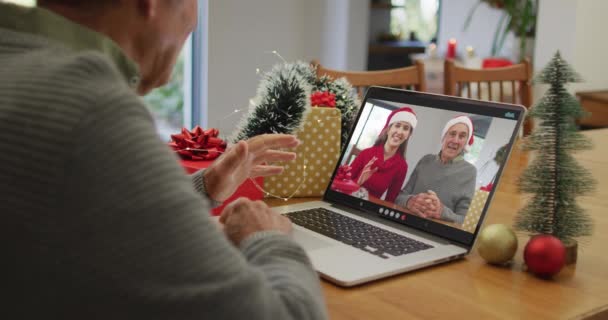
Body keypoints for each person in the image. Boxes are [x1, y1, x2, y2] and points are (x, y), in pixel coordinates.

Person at [0, 1, 327, 319]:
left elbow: (86, 210)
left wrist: (202, 187)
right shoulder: (90, 111)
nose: (194, 20)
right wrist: (266, 237)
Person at [395, 116, 477, 224]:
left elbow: (465, 221)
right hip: (405, 223)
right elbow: (399, 197)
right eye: (452, 134)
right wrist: (410, 201)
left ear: (466, 142)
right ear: (444, 137)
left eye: (462, 136)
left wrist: (442, 212)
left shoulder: (470, 172)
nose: (455, 140)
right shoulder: (426, 160)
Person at [349, 107, 417, 202]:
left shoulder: (402, 166)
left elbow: (390, 200)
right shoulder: (366, 153)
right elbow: (342, 183)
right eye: (397, 125)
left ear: (408, 135)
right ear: (389, 129)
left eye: (406, 128)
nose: (400, 132)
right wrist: (358, 182)